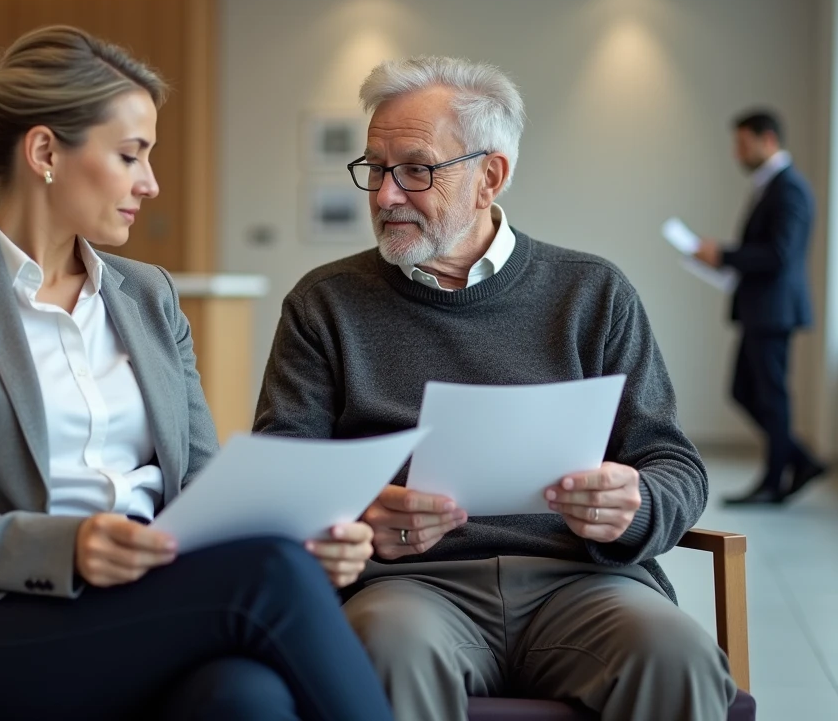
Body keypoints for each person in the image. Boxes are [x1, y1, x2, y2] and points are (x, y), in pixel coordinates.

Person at [0, 25, 389, 721]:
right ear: (45, 152)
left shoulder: (150, 296)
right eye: (131, 155)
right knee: (269, 577)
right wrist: (69, 546)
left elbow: (200, 483)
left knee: (245, 697)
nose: (151, 183)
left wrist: (301, 535)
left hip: (148, 604)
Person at [254, 56, 736, 721]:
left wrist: (638, 502)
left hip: (586, 583)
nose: (386, 194)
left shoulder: (592, 294)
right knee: (384, 646)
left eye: (416, 169)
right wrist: (362, 509)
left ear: (490, 177)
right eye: (375, 168)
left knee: (673, 652)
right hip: (407, 588)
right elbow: (281, 478)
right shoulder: (325, 305)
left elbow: (673, 463)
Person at [694, 110, 825, 505]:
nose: (737, 153)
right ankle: (800, 460)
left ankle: (774, 482)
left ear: (768, 140)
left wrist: (725, 255)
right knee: (744, 392)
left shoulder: (790, 189)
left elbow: (780, 255)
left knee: (770, 396)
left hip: (775, 311)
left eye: (743, 144)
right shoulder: (771, 186)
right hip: (761, 310)